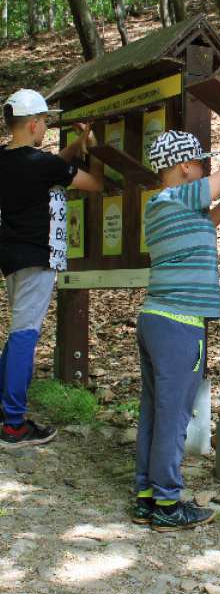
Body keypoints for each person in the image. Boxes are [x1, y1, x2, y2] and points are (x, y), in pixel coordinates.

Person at [134, 104, 220, 532]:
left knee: (156, 412)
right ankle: (169, 506)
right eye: (200, 167)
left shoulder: (160, 206)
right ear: (187, 167)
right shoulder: (182, 193)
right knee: (173, 417)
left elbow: (205, 223)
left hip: (155, 319)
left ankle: (147, 495)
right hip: (180, 324)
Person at [0, 89, 103, 449]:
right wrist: (93, 146)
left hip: (13, 260)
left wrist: (75, 144)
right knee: (24, 335)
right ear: (32, 123)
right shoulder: (42, 166)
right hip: (37, 259)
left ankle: (6, 413)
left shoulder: (9, 160)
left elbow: (49, 168)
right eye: (44, 121)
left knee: (18, 333)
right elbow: (94, 184)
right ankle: (13, 425)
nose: (45, 126)